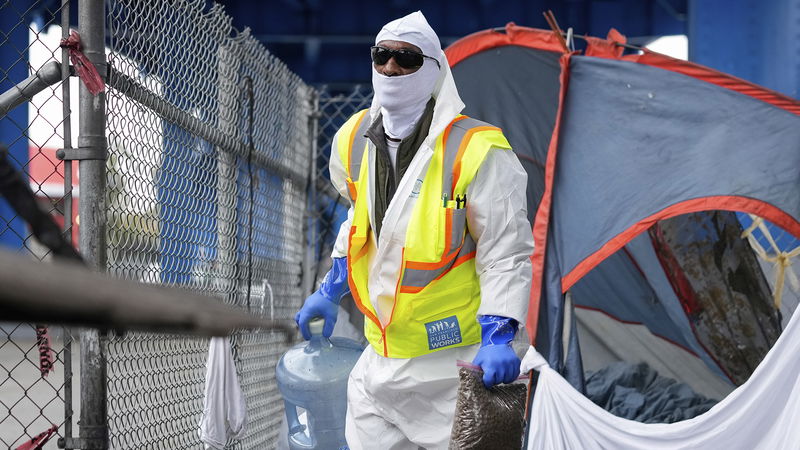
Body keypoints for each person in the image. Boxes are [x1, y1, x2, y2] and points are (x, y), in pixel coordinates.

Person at [295, 11, 534, 449]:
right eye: (381, 55)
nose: (390, 67)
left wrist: (499, 335)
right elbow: (360, 223)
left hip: (450, 369)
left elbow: (506, 251)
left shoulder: (477, 150)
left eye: (406, 59)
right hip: (379, 362)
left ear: (433, 70)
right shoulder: (353, 140)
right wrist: (330, 289)